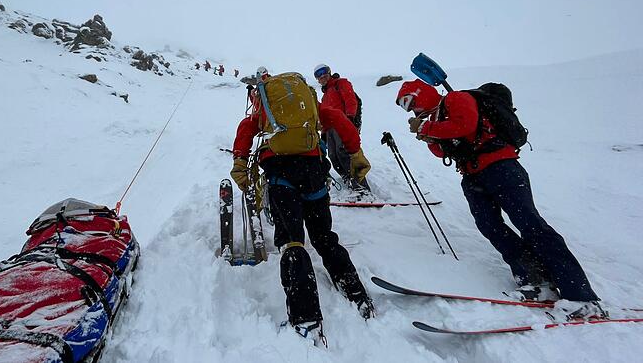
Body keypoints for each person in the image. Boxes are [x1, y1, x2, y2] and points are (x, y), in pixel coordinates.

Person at [395, 79, 605, 319]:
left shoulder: (456, 99)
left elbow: (464, 125)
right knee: (490, 226)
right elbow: (445, 150)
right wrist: (430, 138)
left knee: (530, 225)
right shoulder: (438, 118)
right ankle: (536, 281)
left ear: (420, 94)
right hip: (473, 175)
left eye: (410, 103)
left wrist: (426, 130)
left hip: (501, 167)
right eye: (406, 107)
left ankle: (582, 297)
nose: (411, 110)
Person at [231, 72, 375, 345]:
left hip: (281, 176)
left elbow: (246, 127)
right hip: (313, 173)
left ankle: (306, 316)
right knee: (323, 236)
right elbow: (339, 120)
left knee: (293, 242)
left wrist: (240, 161)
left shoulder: (265, 107)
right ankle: (356, 293)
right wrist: (356, 154)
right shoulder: (309, 106)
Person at [313, 63, 369, 192]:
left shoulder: (341, 84)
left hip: (343, 124)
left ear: (329, 72)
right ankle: (348, 178)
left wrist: (350, 119)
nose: (322, 77)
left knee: (344, 153)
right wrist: (324, 132)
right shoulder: (325, 95)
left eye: (324, 73)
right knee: (333, 155)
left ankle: (361, 187)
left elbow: (350, 100)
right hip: (330, 129)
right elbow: (326, 115)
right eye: (318, 75)